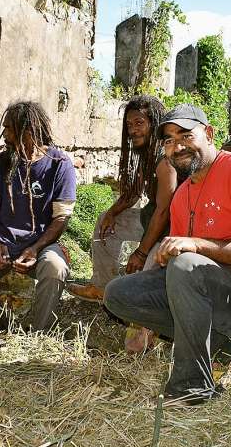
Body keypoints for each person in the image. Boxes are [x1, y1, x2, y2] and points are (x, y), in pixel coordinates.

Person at [103, 104, 231, 406]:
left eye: (186, 135)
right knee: (118, 294)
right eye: (169, 140)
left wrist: (196, 245)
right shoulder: (182, 194)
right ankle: (220, 344)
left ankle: (192, 386)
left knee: (186, 265)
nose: (177, 145)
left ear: (209, 134)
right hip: (206, 293)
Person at [0, 101, 77, 331]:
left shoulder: (59, 165)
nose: (5, 135)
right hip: (1, 243)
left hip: (41, 244)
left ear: (28, 131)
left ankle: (39, 332)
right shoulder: (0, 162)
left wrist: (36, 249)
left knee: (55, 268)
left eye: (9, 128)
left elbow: (61, 218)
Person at [67, 95, 179, 303]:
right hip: (150, 221)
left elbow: (164, 212)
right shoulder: (148, 155)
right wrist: (112, 213)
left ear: (154, 124)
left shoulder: (165, 161)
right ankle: (101, 288)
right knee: (105, 223)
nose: (133, 130)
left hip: (170, 232)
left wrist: (142, 253)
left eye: (139, 123)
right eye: (129, 125)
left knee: (144, 291)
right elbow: (134, 193)